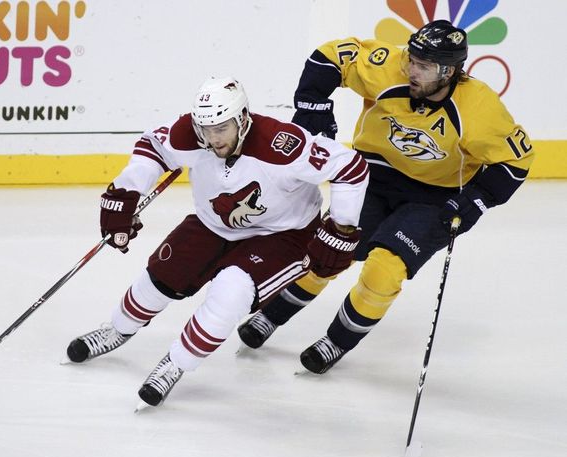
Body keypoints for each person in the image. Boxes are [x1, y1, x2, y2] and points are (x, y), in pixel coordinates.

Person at [237, 20, 535, 374]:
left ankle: (337, 341)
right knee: (329, 249)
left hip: (433, 199)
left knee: (385, 266)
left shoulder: (479, 107)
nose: (412, 69)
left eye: (424, 66)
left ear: (450, 71)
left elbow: (517, 158)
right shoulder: (388, 65)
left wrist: (477, 198)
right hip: (372, 179)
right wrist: (313, 106)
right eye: (412, 59)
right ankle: (272, 314)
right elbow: (330, 56)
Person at [66, 76, 369, 406]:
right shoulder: (191, 133)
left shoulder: (281, 144)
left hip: (283, 235)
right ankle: (117, 329)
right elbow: (152, 146)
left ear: (242, 118)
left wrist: (342, 229)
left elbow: (350, 167)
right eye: (205, 129)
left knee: (230, 291)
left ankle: (176, 363)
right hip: (214, 224)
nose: (212, 138)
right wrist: (126, 191)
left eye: (221, 128)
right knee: (161, 277)